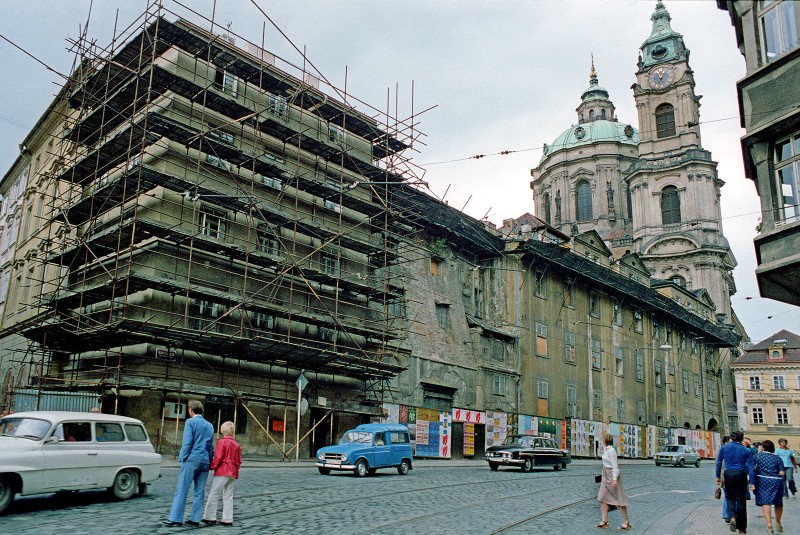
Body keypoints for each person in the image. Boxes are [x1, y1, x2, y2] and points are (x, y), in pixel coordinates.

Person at [163, 400, 214, 528]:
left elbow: (187, 443)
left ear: (191, 410)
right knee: (199, 492)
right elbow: (211, 446)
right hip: (205, 461)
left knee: (182, 490)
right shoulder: (209, 426)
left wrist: (182, 457)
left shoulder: (190, 422)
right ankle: (195, 519)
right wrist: (210, 460)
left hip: (191, 459)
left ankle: (176, 518)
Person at [202, 421, 242, 527]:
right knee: (228, 496)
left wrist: (211, 466)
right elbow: (238, 461)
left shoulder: (222, 442)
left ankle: (210, 517)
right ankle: (227, 519)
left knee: (214, 493)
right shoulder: (236, 444)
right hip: (232, 472)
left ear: (222, 430)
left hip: (223, 471)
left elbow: (218, 457)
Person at [716, 430, 754, 534]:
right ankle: (742, 528)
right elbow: (751, 468)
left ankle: (732, 517)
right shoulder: (746, 450)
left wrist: (717, 476)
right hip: (741, 474)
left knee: (730, 498)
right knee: (741, 500)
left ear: (731, 438)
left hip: (728, 473)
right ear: (741, 439)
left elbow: (719, 462)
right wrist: (752, 482)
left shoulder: (724, 447)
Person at [596, 433, 631, 530]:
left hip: (612, 476)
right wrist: (602, 476)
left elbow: (615, 466)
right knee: (602, 497)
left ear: (605, 440)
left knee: (619, 499)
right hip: (605, 476)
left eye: (603, 440)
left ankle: (626, 523)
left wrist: (614, 479)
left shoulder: (611, 451)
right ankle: (604, 521)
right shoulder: (605, 450)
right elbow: (604, 464)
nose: (602, 441)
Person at [750, 439, 785, 534]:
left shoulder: (757, 456)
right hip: (776, 481)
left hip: (762, 480)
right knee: (778, 503)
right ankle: (778, 522)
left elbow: (752, 470)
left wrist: (752, 483)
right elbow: (782, 471)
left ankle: (769, 524)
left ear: (763, 447)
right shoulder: (777, 458)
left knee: (766, 502)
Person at [719, 435, 731, 524]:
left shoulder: (722, 449)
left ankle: (727, 514)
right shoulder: (726, 450)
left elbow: (718, 464)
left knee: (727, 496)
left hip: (723, 476)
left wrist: (718, 477)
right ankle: (730, 515)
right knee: (731, 496)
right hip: (728, 475)